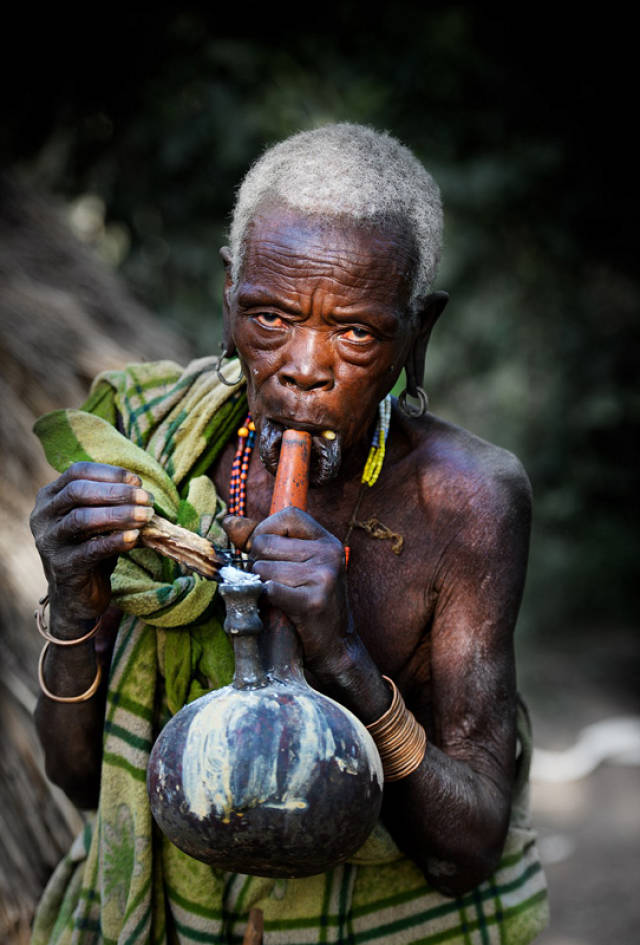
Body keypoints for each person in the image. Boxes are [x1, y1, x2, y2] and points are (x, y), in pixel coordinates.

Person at [29, 124, 548, 944]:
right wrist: (71, 605)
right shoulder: (150, 448)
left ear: (418, 332)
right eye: (270, 317)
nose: (305, 365)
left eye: (356, 332)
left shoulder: (469, 500)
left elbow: (470, 848)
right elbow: (83, 780)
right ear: (229, 300)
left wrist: (343, 654)